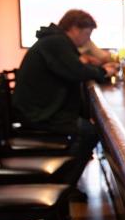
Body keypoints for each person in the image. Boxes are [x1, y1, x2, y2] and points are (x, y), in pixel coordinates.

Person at [13, 9, 117, 169]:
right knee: (90, 132)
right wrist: (104, 71)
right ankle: (64, 181)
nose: (88, 40)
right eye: (87, 34)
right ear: (75, 28)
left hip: (39, 107)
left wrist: (89, 65)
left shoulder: (55, 41)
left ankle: (64, 175)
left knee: (88, 128)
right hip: (39, 112)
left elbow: (72, 66)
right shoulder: (56, 42)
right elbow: (76, 71)